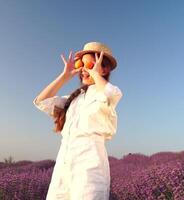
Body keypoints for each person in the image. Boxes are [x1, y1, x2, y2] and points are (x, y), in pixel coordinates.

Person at [33, 41, 123, 200]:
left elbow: (111, 94)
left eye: (91, 64)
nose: (84, 69)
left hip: (90, 166)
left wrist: (94, 74)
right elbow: (41, 101)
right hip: (64, 164)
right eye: (82, 64)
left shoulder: (105, 95)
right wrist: (64, 76)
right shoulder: (74, 99)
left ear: (105, 68)